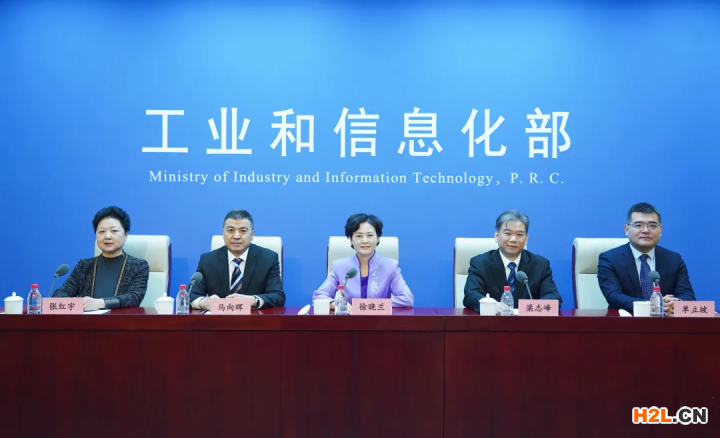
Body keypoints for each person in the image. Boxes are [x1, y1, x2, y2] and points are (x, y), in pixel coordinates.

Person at [598, 202, 695, 314]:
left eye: (652, 226)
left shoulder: (674, 259)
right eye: (638, 225)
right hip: (625, 321)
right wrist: (652, 305)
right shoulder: (609, 259)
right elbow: (613, 296)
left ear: (661, 230)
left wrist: (676, 304)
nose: (646, 230)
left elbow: (687, 294)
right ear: (626, 229)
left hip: (665, 322)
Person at [463, 209, 562, 312]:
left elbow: (553, 297)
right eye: (508, 233)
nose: (513, 239)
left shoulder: (540, 265)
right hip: (493, 320)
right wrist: (491, 305)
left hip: (527, 321)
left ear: (526, 238)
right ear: (497, 236)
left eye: (519, 235)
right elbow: (471, 295)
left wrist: (531, 309)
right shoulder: (480, 263)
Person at [53, 206, 149, 310]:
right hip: (86, 320)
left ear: (126, 235)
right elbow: (60, 293)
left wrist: (101, 303)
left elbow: (134, 297)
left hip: (122, 320)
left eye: (114, 231)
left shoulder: (139, 266)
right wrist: (76, 303)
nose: (107, 236)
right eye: (102, 231)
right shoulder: (84, 266)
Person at [190, 209, 285, 310]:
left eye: (243, 231)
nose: (236, 236)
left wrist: (253, 300)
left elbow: (278, 297)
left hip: (254, 318)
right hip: (219, 318)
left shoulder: (268, 259)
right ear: (223, 233)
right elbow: (190, 295)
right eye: (230, 230)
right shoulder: (208, 260)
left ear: (252, 234)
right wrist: (202, 302)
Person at [313, 213, 414, 307]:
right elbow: (319, 296)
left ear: (378, 238)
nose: (365, 240)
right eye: (359, 236)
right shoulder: (339, 267)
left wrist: (369, 306)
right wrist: (339, 305)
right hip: (348, 319)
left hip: (379, 319)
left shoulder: (391, 266)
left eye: (370, 235)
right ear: (351, 240)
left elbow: (407, 299)